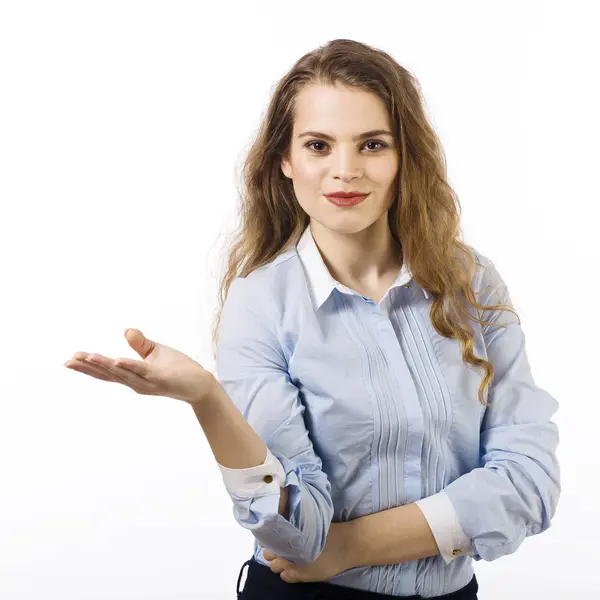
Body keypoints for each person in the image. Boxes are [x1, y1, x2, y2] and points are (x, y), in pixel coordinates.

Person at [64, 38, 560, 599]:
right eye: (318, 145)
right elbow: (297, 537)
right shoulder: (260, 304)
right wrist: (207, 398)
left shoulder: (472, 282)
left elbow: (529, 484)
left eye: (372, 144)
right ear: (285, 159)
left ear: (404, 158)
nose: (344, 171)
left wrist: (350, 547)